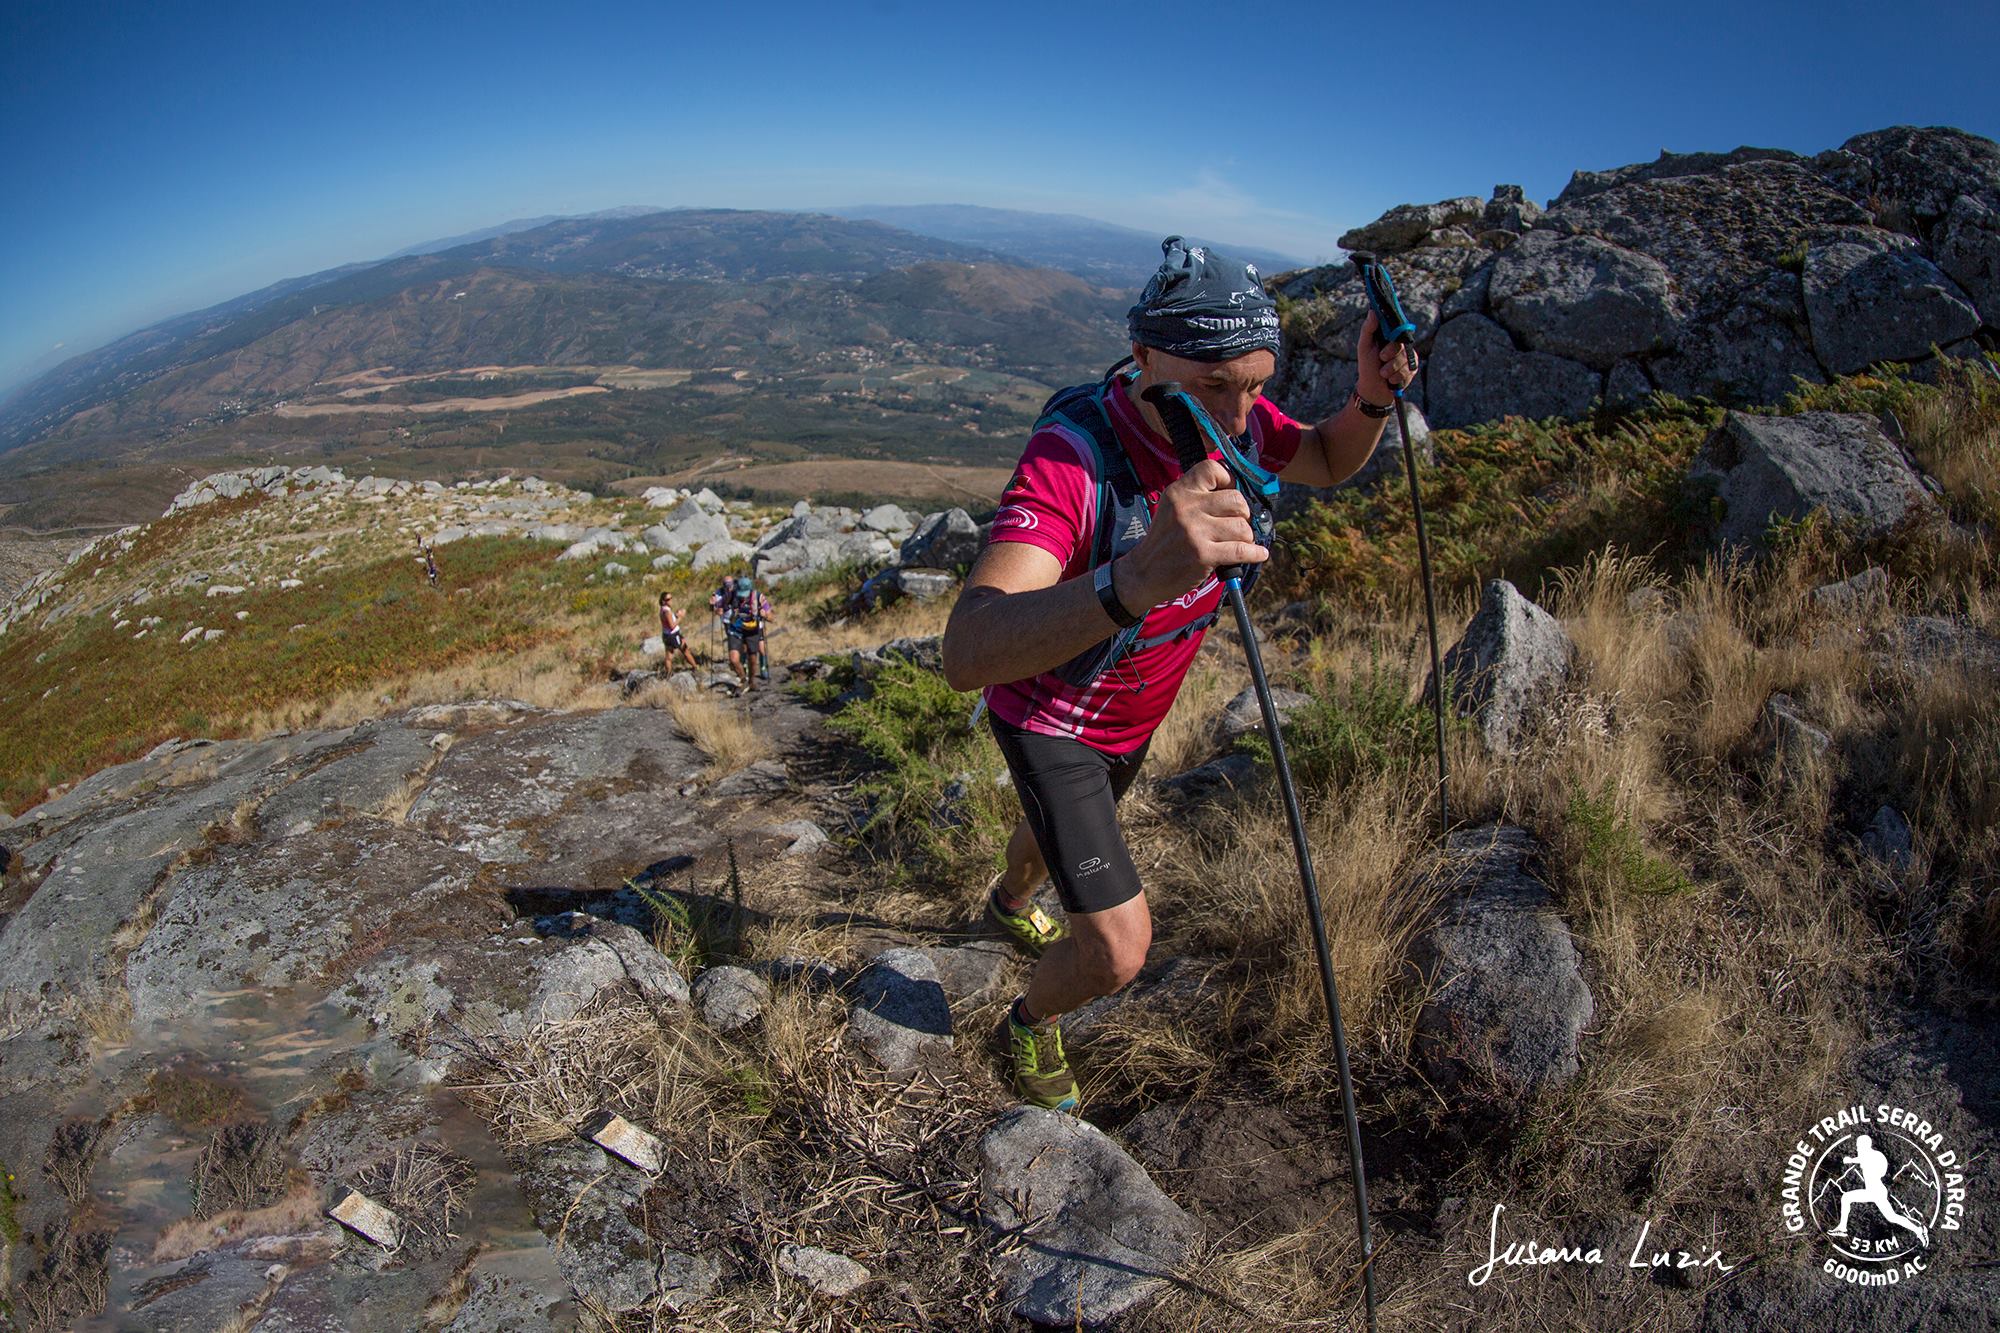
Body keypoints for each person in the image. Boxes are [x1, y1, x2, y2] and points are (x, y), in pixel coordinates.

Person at [941, 237, 1418, 1112]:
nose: (1241, 415)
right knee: (1118, 949)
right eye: (1213, 384)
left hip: (1130, 715)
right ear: (1144, 355)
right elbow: (966, 652)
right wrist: (1134, 579)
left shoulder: (1231, 418)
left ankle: (1010, 898)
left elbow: (1320, 456)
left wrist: (1373, 399)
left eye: (1257, 384)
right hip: (1054, 720)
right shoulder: (1075, 454)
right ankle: (1028, 1021)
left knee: (1056, 840)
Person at [709, 574, 773, 689]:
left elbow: (771, 617)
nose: (742, 597)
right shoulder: (731, 595)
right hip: (735, 629)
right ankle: (743, 679)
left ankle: (752, 681)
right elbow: (718, 607)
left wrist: (765, 615)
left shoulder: (758, 597)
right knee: (733, 659)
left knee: (752, 659)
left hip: (752, 630)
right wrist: (714, 607)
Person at [657, 590, 700, 670]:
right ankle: (695, 667)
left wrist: (676, 616)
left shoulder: (663, 609)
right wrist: (681, 617)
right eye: (668, 599)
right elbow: (672, 625)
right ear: (663, 601)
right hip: (673, 635)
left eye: (671, 598)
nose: (671, 601)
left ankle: (668, 674)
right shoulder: (667, 611)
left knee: (669, 655)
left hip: (666, 635)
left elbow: (668, 621)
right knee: (685, 651)